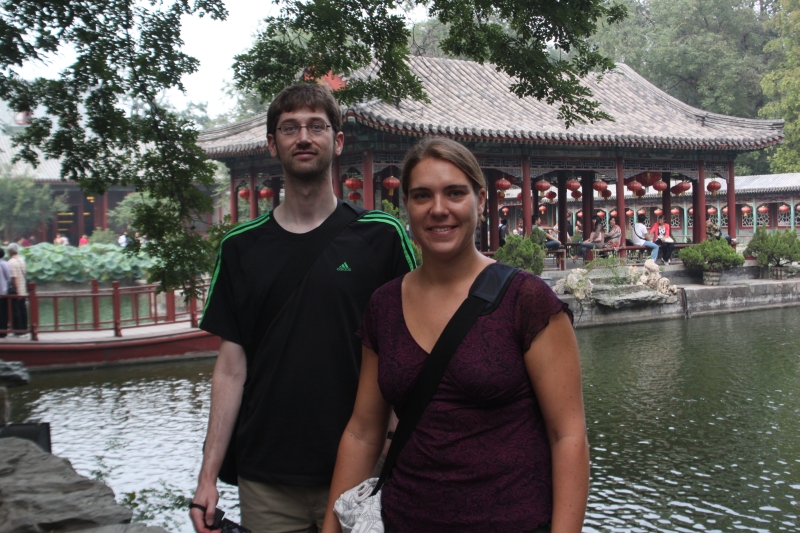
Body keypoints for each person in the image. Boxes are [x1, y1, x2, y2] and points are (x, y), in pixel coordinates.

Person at [322, 138, 589, 533]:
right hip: (406, 519)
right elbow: (363, 432)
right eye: (422, 196)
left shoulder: (526, 299)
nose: (439, 209)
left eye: (455, 193)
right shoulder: (384, 306)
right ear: (406, 208)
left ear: (480, 200)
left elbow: (567, 436)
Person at [190, 83, 416, 533]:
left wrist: (399, 441)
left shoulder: (382, 235)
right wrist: (207, 476)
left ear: (338, 140)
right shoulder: (240, 248)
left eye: (317, 126)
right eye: (289, 128)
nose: (304, 137)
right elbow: (230, 370)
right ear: (272, 144)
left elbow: (410, 347)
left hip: (362, 466)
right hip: (268, 473)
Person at [6, 243, 28, 335]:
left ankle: (18, 331)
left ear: (10, 251)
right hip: (23, 289)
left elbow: (14, 278)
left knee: (15, 310)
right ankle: (24, 329)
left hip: (16, 290)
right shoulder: (22, 260)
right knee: (23, 309)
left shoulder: (11, 262)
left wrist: (17, 290)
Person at [0, 248, 10, 338]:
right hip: (3, 293)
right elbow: (9, 278)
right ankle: (3, 332)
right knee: (3, 313)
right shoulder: (4, 264)